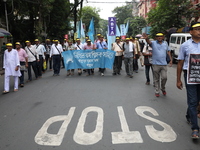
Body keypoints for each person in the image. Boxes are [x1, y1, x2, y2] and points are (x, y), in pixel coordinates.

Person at [177, 22, 200, 139]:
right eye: (197, 29)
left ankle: (189, 115)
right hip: (190, 76)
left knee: (196, 101)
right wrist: (178, 80)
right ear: (191, 32)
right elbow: (180, 63)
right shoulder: (185, 45)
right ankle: (195, 128)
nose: (199, 31)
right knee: (192, 101)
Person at [143, 32, 172, 97]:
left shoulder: (165, 43)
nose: (159, 37)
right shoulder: (153, 43)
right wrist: (146, 38)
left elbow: (168, 52)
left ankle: (163, 88)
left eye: (161, 36)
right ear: (156, 37)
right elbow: (149, 42)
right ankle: (157, 90)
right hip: (155, 64)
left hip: (164, 64)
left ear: (163, 37)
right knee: (156, 78)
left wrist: (170, 60)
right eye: (158, 36)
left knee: (164, 77)